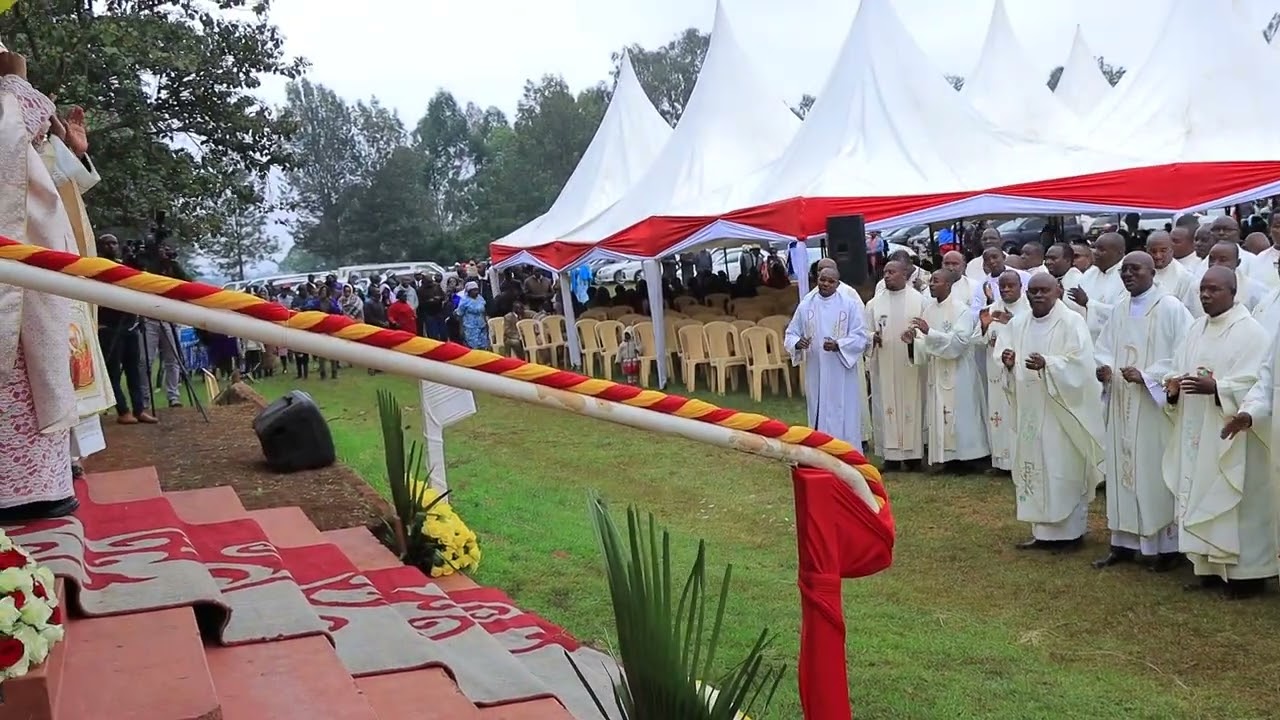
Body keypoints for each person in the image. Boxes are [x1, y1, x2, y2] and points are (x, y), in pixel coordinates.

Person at [0, 48, 81, 520]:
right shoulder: (12, 97)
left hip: (34, 278)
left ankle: (48, 481)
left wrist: (72, 152)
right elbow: (8, 142)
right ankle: (26, 494)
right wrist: (15, 85)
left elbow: (28, 166)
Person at [1164, 266, 1276, 599]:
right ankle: (1209, 567)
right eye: (1203, 289)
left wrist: (1218, 388)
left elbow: (1258, 383)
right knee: (1200, 493)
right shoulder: (1196, 328)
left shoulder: (1250, 333)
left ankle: (1247, 576)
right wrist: (1173, 386)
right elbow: (1179, 365)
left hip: (1232, 433)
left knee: (1234, 501)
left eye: (1214, 290)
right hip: (1196, 428)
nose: (1206, 295)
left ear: (1232, 292)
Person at [1093, 252, 1192, 571]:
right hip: (1122, 402)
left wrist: (1148, 377)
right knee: (1122, 472)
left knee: (1152, 473)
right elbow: (1103, 348)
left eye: (1135, 269)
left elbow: (1185, 355)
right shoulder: (1120, 308)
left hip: (1153, 408)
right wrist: (1105, 370)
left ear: (1153, 272)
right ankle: (1123, 542)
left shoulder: (1171, 308)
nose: (1127, 275)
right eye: (1124, 270)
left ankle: (1165, 548)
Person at [996, 274, 1105, 551]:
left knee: (1061, 465)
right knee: (1035, 465)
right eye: (1033, 291)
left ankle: (1071, 533)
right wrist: (1009, 364)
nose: (1037, 296)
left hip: (1062, 411)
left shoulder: (1071, 322)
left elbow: (1080, 364)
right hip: (1031, 407)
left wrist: (1049, 365)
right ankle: (1042, 532)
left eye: (1044, 290)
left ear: (1058, 291)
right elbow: (1005, 356)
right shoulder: (1019, 323)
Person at [905, 270, 989, 471]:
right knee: (941, 412)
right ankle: (945, 458)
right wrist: (912, 343)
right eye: (931, 281)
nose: (931, 284)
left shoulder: (962, 310)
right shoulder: (929, 310)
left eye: (936, 281)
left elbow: (960, 343)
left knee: (963, 413)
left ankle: (969, 458)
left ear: (949, 285)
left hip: (959, 371)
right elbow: (923, 342)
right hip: (938, 370)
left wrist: (929, 332)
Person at [784, 266, 869, 447]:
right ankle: (820, 450)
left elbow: (860, 336)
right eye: (823, 280)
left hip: (841, 370)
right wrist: (798, 343)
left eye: (831, 281)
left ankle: (847, 450)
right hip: (816, 369)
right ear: (817, 279)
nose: (826, 284)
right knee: (818, 407)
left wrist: (839, 345)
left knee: (843, 410)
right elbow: (791, 333)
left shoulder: (849, 304)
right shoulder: (807, 304)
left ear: (838, 283)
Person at [864, 260, 926, 470]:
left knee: (913, 405)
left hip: (910, 364)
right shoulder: (874, 304)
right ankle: (890, 457)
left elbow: (927, 331)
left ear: (904, 274)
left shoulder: (919, 301)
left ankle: (913, 456)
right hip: (885, 363)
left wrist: (914, 339)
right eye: (885, 272)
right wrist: (873, 337)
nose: (887, 276)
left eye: (892, 272)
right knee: (886, 406)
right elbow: (864, 332)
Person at [982, 270, 1030, 472]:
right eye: (1002, 286)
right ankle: (1000, 460)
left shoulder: (1028, 309)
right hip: (996, 373)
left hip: (1018, 372)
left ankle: (1019, 460)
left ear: (1021, 287)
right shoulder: (992, 309)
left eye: (1011, 286)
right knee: (997, 415)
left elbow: (1031, 336)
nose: (1006, 290)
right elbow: (978, 340)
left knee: (1016, 415)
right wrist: (984, 329)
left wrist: (1012, 322)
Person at [1073, 232, 1126, 341]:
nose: (1095, 253)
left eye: (1102, 250)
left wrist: (1089, 303)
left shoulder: (1127, 275)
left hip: (1115, 340)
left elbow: (1122, 314)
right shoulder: (1089, 274)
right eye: (1094, 248)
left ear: (1119, 252)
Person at [1146, 230, 1201, 317]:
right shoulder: (1140, 273)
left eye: (1163, 251)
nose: (1158, 256)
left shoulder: (1185, 277)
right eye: (1153, 251)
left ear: (1171, 250)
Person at [1206, 242, 1268, 311]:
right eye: (1212, 259)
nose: (1215, 264)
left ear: (1237, 263)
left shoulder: (1255, 290)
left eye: (1223, 260)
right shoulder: (1196, 288)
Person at [455, 281, 490, 350]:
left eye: (477, 290)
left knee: (483, 345)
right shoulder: (464, 301)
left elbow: (483, 312)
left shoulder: (480, 298)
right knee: (473, 346)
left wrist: (486, 323)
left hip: (481, 325)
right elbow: (460, 315)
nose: (476, 292)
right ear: (469, 291)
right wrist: (461, 329)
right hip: (470, 327)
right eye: (474, 290)